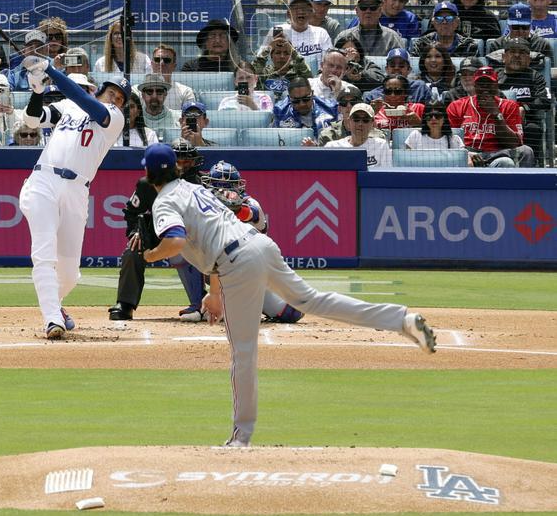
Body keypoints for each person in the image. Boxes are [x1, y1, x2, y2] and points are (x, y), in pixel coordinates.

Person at [141, 141, 434, 445]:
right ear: (176, 167)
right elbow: (219, 233)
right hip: (259, 245)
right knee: (314, 300)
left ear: (148, 175)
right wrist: (214, 294)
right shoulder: (197, 189)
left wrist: (149, 255)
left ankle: (241, 438)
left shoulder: (165, 201)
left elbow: (174, 243)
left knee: (243, 351)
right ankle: (401, 320)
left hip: (237, 262)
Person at [18, 57, 128, 339]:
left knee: (69, 272)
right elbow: (31, 120)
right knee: (43, 254)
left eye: (120, 97)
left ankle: (56, 306)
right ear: (99, 89)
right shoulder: (68, 107)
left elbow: (87, 103)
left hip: (77, 189)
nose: (114, 97)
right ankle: (52, 319)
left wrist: (51, 71)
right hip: (43, 180)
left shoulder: (113, 118)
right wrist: (37, 90)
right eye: (111, 91)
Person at [108, 137, 206, 322]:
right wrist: (135, 231)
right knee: (133, 250)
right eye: (180, 161)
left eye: (188, 161)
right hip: (157, 231)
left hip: (192, 234)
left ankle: (202, 302)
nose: (184, 166)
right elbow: (131, 212)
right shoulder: (146, 185)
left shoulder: (199, 184)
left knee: (200, 251)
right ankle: (125, 304)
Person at [446, 65, 534, 167]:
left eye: (489, 84)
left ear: (496, 85)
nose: (485, 88)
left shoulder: (509, 106)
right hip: (467, 154)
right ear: (475, 86)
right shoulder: (457, 106)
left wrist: (496, 114)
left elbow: (513, 143)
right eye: (481, 84)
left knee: (525, 152)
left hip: (497, 154)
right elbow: (449, 139)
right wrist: (466, 154)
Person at [337, 0, 404, 54]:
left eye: (373, 7)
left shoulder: (393, 38)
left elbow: (402, 63)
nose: (368, 11)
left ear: (380, 11)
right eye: (363, 7)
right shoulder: (343, 37)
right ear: (357, 11)